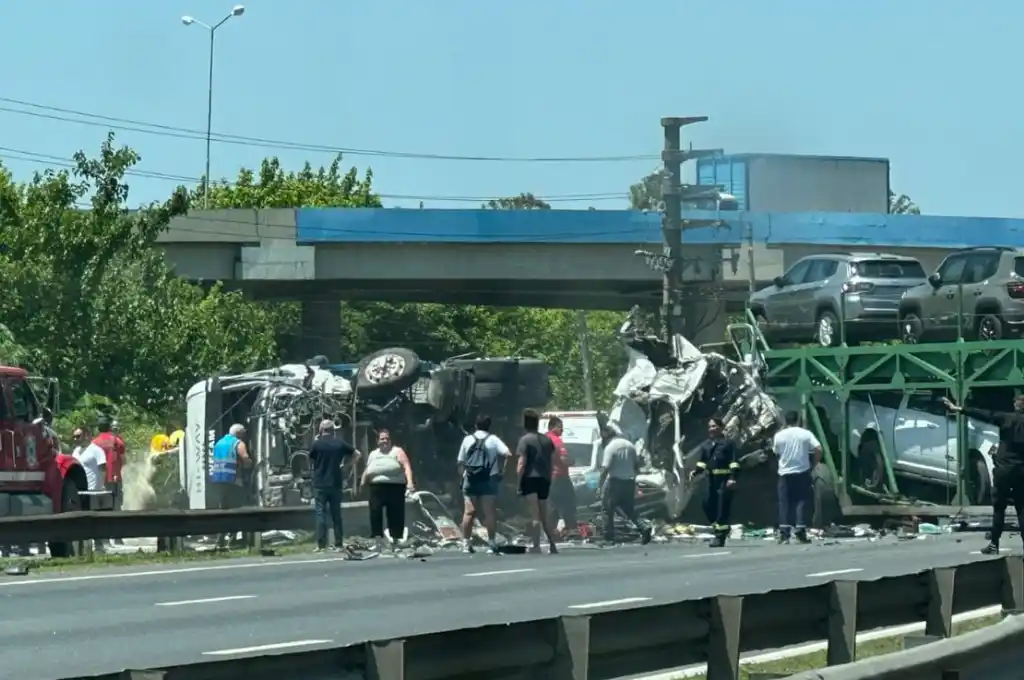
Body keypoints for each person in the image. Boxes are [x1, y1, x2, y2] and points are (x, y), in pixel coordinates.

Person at [943, 394, 1024, 555]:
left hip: (1003, 471)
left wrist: (958, 408)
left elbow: (984, 414)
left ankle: (994, 545)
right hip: (1021, 471)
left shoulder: (1006, 418)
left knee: (999, 509)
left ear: (1017, 405)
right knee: (1021, 510)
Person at [457, 414, 512, 555]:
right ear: (489, 425)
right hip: (488, 479)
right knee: (489, 512)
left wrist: (464, 477)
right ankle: (492, 542)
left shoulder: (467, 439)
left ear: (475, 425)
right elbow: (508, 454)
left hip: (470, 479)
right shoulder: (493, 440)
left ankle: (466, 543)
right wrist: (502, 472)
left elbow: (460, 462)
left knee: (468, 512)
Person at [598, 423, 652, 545]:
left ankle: (609, 536)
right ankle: (644, 527)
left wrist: (599, 485)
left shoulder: (610, 447)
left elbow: (605, 468)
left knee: (607, 508)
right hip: (629, 482)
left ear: (607, 437)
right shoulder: (630, 445)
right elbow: (636, 466)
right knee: (629, 509)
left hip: (615, 483)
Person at [772, 411, 821, 544]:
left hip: (784, 473)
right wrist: (814, 464)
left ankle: (784, 534)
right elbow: (818, 448)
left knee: (784, 503)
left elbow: (776, 453)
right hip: (802, 472)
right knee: (801, 501)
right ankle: (800, 531)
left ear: (785, 421)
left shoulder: (779, 435)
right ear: (798, 420)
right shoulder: (805, 434)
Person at [690, 417, 740, 548]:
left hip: (724, 479)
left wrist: (732, 478)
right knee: (707, 504)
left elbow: (734, 462)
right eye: (710, 427)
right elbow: (702, 462)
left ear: (721, 427)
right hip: (710, 479)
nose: (711, 429)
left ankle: (719, 536)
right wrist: (696, 471)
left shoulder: (728, 444)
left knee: (722, 507)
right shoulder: (706, 445)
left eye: (714, 426)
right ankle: (720, 528)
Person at [309, 419, 358, 554]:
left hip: (320, 483)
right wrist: (346, 466)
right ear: (333, 430)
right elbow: (357, 454)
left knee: (320, 513)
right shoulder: (339, 444)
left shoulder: (316, 445)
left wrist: (316, 440)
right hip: (335, 482)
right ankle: (338, 544)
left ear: (321, 430)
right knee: (336, 514)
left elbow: (311, 460)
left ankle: (321, 545)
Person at [362, 429, 415, 552]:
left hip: (395, 487)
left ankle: (395, 541)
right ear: (377, 441)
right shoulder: (373, 454)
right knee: (375, 513)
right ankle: (378, 542)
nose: (384, 441)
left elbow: (406, 466)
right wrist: (362, 482)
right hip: (376, 487)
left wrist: (410, 483)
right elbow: (368, 469)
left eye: (387, 438)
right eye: (382, 439)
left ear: (390, 440)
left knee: (395, 514)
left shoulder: (397, 451)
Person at [516, 409, 560, 554]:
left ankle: (536, 546)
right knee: (544, 515)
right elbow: (553, 460)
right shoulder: (546, 440)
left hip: (530, 479)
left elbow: (521, 464)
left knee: (535, 515)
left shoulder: (525, 440)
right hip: (544, 479)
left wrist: (518, 482)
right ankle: (552, 545)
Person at [209, 423, 253, 548]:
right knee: (237, 510)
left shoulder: (219, 443)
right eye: (243, 434)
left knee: (223, 511)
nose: (244, 437)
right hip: (233, 480)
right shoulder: (238, 443)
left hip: (218, 480)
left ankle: (219, 540)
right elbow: (245, 459)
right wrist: (249, 463)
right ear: (239, 434)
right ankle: (232, 540)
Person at [73, 434, 108, 552]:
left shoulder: (96, 450)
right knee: (80, 519)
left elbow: (103, 468)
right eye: (74, 436)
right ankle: (82, 549)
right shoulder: (76, 451)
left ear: (86, 436)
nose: (75, 439)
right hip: (79, 491)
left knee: (94, 519)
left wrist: (101, 485)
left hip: (93, 490)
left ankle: (99, 546)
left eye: (78, 436)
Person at [545, 415, 578, 537]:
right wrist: (572, 461)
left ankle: (550, 531)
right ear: (552, 427)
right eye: (560, 428)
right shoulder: (556, 441)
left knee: (551, 504)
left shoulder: (544, 439)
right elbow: (564, 459)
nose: (562, 431)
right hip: (560, 476)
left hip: (548, 477)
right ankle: (572, 530)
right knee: (569, 502)